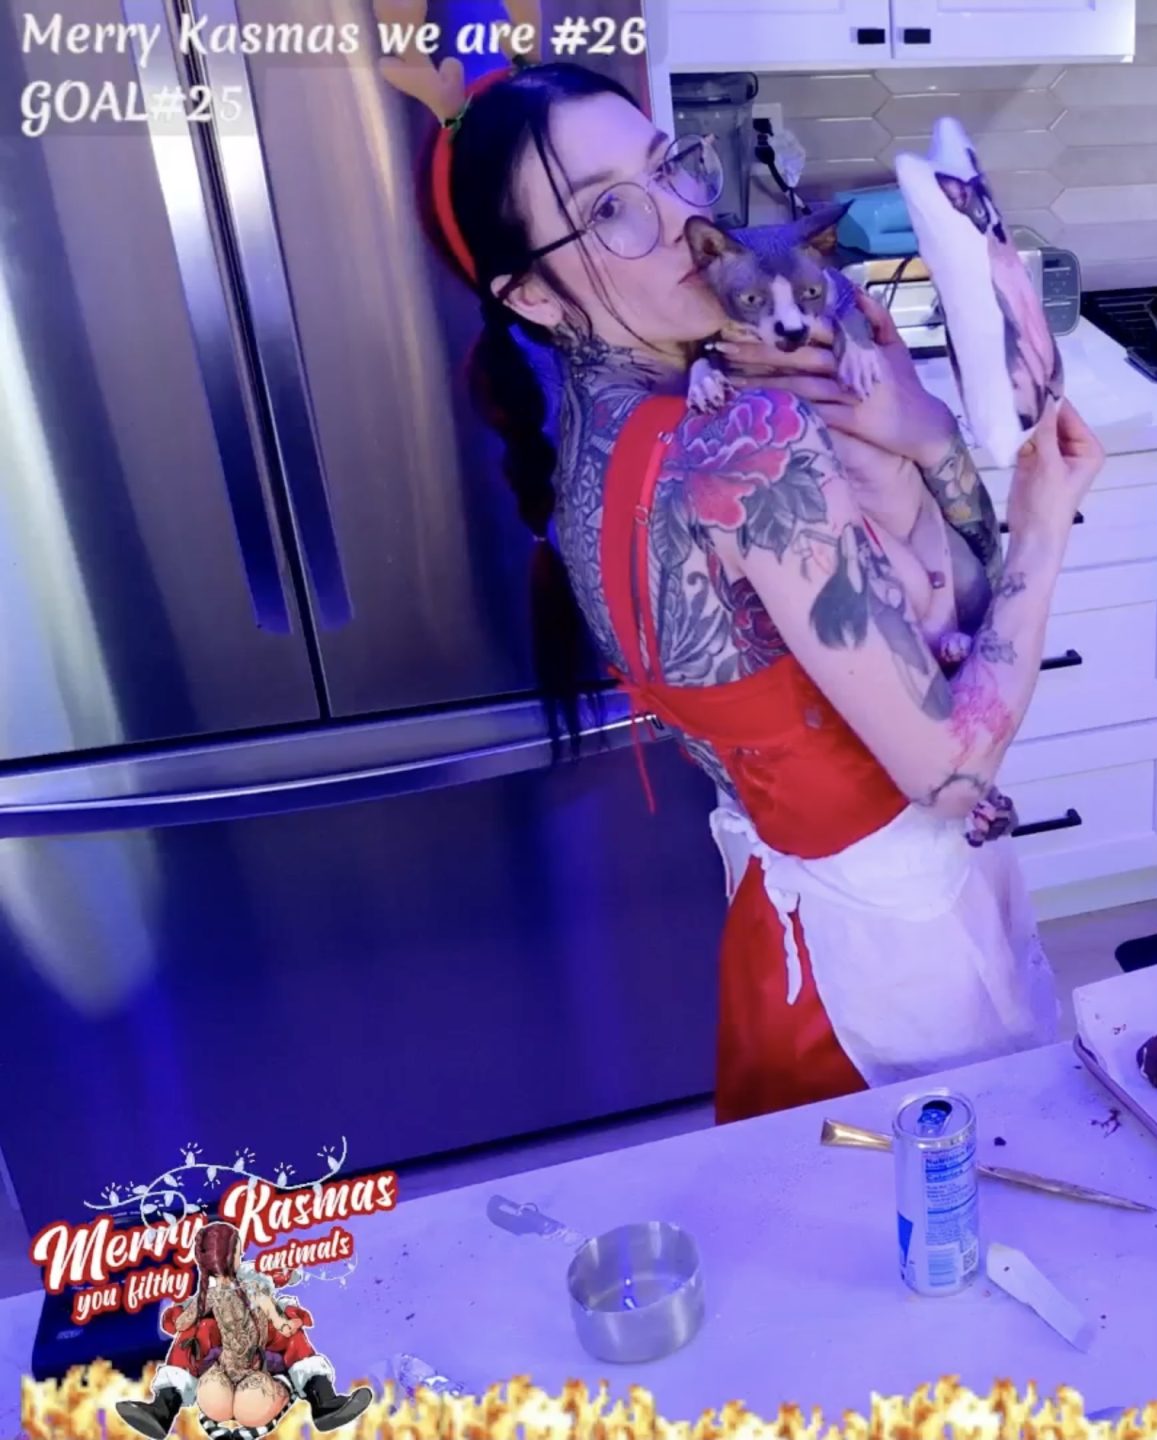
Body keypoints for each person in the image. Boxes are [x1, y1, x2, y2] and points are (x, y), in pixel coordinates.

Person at [427, 61, 1103, 1123]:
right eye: (611, 212)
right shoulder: (750, 439)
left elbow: (938, 597)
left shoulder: (589, 459)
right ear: (532, 296)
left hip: (787, 935)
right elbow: (953, 768)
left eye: (670, 170)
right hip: (896, 956)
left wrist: (920, 431)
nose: (685, 220)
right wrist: (1045, 519)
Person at [115, 1221, 371, 1439]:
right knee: (194, 1334)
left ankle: (322, 1399)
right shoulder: (215, 1295)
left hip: (257, 1355)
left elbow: (272, 1303)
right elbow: (184, 1323)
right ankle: (164, 1407)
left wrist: (282, 1315)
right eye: (238, 1250)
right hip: (226, 1365)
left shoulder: (249, 1283)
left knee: (284, 1339)